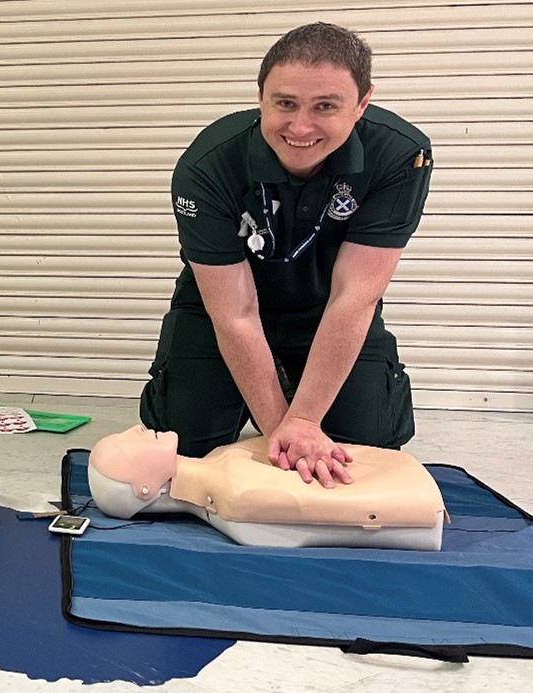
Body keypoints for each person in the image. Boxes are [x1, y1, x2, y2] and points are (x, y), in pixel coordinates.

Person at [140, 23, 434, 488]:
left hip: (328, 307)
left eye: (325, 106)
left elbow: (354, 298)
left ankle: (302, 396)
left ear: (362, 103)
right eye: (285, 103)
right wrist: (286, 431)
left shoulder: (401, 155)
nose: (300, 126)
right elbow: (235, 313)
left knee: (371, 446)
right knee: (182, 445)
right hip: (220, 308)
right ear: (261, 97)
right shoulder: (207, 165)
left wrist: (308, 419)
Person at [87, 426, 446, 550]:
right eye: (125, 446)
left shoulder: (224, 463)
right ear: (145, 489)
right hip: (415, 502)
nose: (136, 430)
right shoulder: (236, 495)